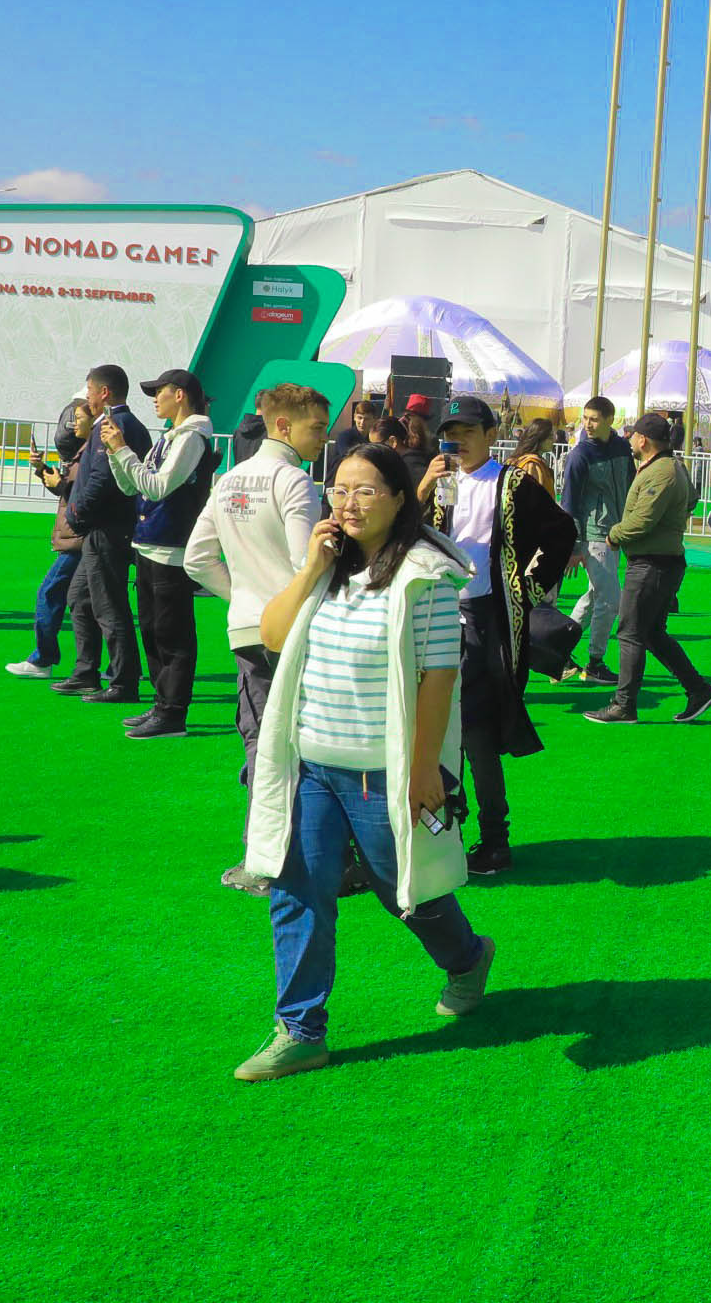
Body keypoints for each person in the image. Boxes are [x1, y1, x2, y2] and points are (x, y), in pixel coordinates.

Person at [233, 443, 495, 1082]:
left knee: (404, 889)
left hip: (383, 770)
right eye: (339, 489)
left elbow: (438, 678)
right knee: (296, 890)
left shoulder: (425, 576)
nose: (348, 503)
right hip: (311, 767)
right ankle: (300, 1031)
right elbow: (272, 636)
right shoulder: (326, 564)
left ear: (400, 499)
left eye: (366, 490)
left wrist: (424, 769)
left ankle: (466, 958)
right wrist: (310, 567)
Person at [422, 396, 577, 865]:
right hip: (436, 618)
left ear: (491, 436)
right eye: (451, 433)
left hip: (489, 621)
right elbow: (405, 533)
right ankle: (445, 828)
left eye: (468, 432)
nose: (458, 441)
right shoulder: (440, 481)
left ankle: (494, 836)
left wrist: (528, 588)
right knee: (435, 728)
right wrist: (424, 485)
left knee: (477, 731)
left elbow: (561, 530)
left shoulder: (512, 482)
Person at [185, 382, 326, 893]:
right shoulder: (294, 481)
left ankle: (266, 858)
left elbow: (196, 559)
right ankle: (286, 860)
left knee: (262, 742)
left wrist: (243, 597)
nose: (323, 437)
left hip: (247, 629)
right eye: (316, 426)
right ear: (283, 425)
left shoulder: (228, 480)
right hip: (292, 630)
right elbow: (306, 563)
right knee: (300, 745)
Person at [103, 368, 218, 739]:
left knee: (173, 633)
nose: (155, 399)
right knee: (153, 630)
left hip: (172, 548)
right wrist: (115, 453)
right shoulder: (170, 437)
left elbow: (157, 487)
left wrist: (122, 450)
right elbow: (131, 487)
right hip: (150, 543)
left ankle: (172, 712)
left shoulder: (192, 438)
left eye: (159, 392)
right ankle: (162, 704)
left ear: (179, 394)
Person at [586, 413, 711, 724]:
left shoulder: (662, 471)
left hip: (651, 564)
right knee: (653, 634)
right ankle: (698, 690)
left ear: (643, 440)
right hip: (660, 562)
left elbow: (642, 520)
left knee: (631, 633)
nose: (629, 439)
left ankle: (624, 705)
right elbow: (690, 500)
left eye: (633, 434)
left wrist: (614, 535)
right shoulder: (669, 466)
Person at [53, 365, 153, 703]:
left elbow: (102, 478)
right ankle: (86, 671)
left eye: (90, 391)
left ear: (104, 392)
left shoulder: (113, 425)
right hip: (108, 528)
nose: (88, 398)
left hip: (107, 529)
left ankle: (123, 682)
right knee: (81, 598)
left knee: (109, 605)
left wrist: (76, 513)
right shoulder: (126, 424)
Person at [6, 407, 92, 678]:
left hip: (78, 539)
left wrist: (60, 483)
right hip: (79, 537)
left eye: (78, 419)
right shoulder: (87, 451)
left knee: (50, 593)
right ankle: (117, 667)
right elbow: (69, 489)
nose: (72, 425)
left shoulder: (91, 452)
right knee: (95, 603)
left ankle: (43, 659)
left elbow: (80, 494)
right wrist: (43, 469)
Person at [562, 396, 636, 666]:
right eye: (585, 418)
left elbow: (631, 487)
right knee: (610, 600)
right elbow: (569, 503)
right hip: (593, 535)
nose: (587, 424)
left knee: (594, 597)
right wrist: (573, 546)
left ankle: (557, 647)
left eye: (593, 419)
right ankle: (595, 662)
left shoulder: (622, 448)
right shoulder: (579, 455)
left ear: (610, 420)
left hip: (616, 533)